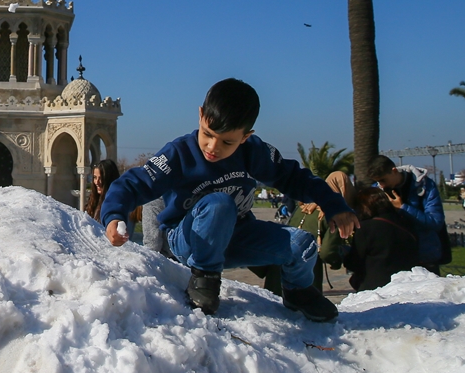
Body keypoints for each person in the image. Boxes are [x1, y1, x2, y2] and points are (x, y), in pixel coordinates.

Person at [100, 78, 358, 322]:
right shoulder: (180, 153)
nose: (213, 147)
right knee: (219, 204)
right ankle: (205, 277)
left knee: (303, 245)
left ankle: (297, 292)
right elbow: (135, 183)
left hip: (236, 234)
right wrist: (114, 216)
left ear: (245, 136)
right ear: (201, 115)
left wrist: (334, 205)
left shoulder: (253, 152)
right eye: (207, 133)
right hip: (188, 238)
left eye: (227, 141)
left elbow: (294, 177)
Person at [255, 170, 358, 295]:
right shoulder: (333, 216)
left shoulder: (303, 207)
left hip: (278, 264)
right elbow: (327, 252)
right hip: (306, 270)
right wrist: (336, 262)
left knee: (274, 305)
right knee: (299, 308)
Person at [372, 155, 448, 274]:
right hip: (394, 260)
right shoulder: (378, 191)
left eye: (383, 180)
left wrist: (403, 208)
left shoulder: (425, 186)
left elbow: (436, 222)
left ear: (394, 171)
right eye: (377, 181)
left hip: (424, 258)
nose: (381, 185)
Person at [343, 188, 421, 291]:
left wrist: (344, 253)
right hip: (405, 286)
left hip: (374, 288)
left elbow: (354, 263)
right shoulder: (407, 223)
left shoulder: (366, 228)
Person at [85, 159, 121, 224]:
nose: (97, 182)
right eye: (95, 177)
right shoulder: (94, 200)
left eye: (101, 178)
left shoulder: (116, 204)